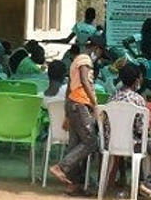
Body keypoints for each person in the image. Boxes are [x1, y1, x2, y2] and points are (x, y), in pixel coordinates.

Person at [110, 63, 151, 200]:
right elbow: (142, 131)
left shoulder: (112, 98)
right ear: (136, 80)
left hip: (112, 143)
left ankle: (141, 184)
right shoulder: (138, 99)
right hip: (134, 144)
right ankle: (149, 185)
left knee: (149, 147)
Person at [49, 35, 103, 196]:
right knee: (91, 141)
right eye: (100, 53)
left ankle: (73, 184)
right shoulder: (85, 60)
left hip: (73, 104)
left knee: (75, 144)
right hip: (80, 104)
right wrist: (95, 105)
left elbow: (69, 89)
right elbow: (85, 82)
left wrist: (67, 112)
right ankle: (62, 167)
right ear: (96, 49)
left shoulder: (77, 60)